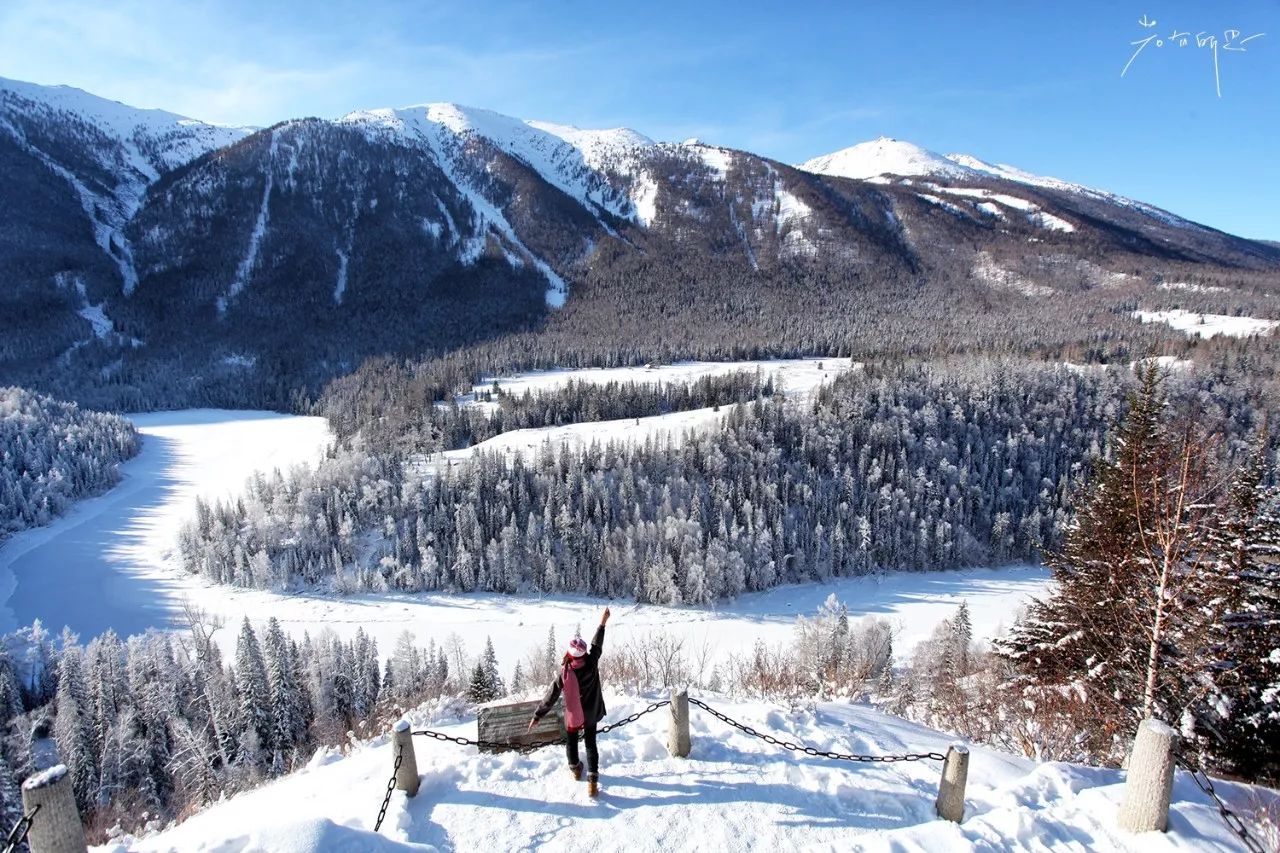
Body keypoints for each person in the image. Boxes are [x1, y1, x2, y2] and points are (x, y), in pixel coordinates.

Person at [529, 607, 611, 797]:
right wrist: (602, 622)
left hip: (573, 715)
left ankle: (575, 768)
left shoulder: (565, 672)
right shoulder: (591, 663)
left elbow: (551, 695)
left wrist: (538, 715)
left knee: (571, 741)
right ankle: (592, 782)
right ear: (583, 653)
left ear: (570, 654)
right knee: (591, 744)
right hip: (590, 712)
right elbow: (596, 645)